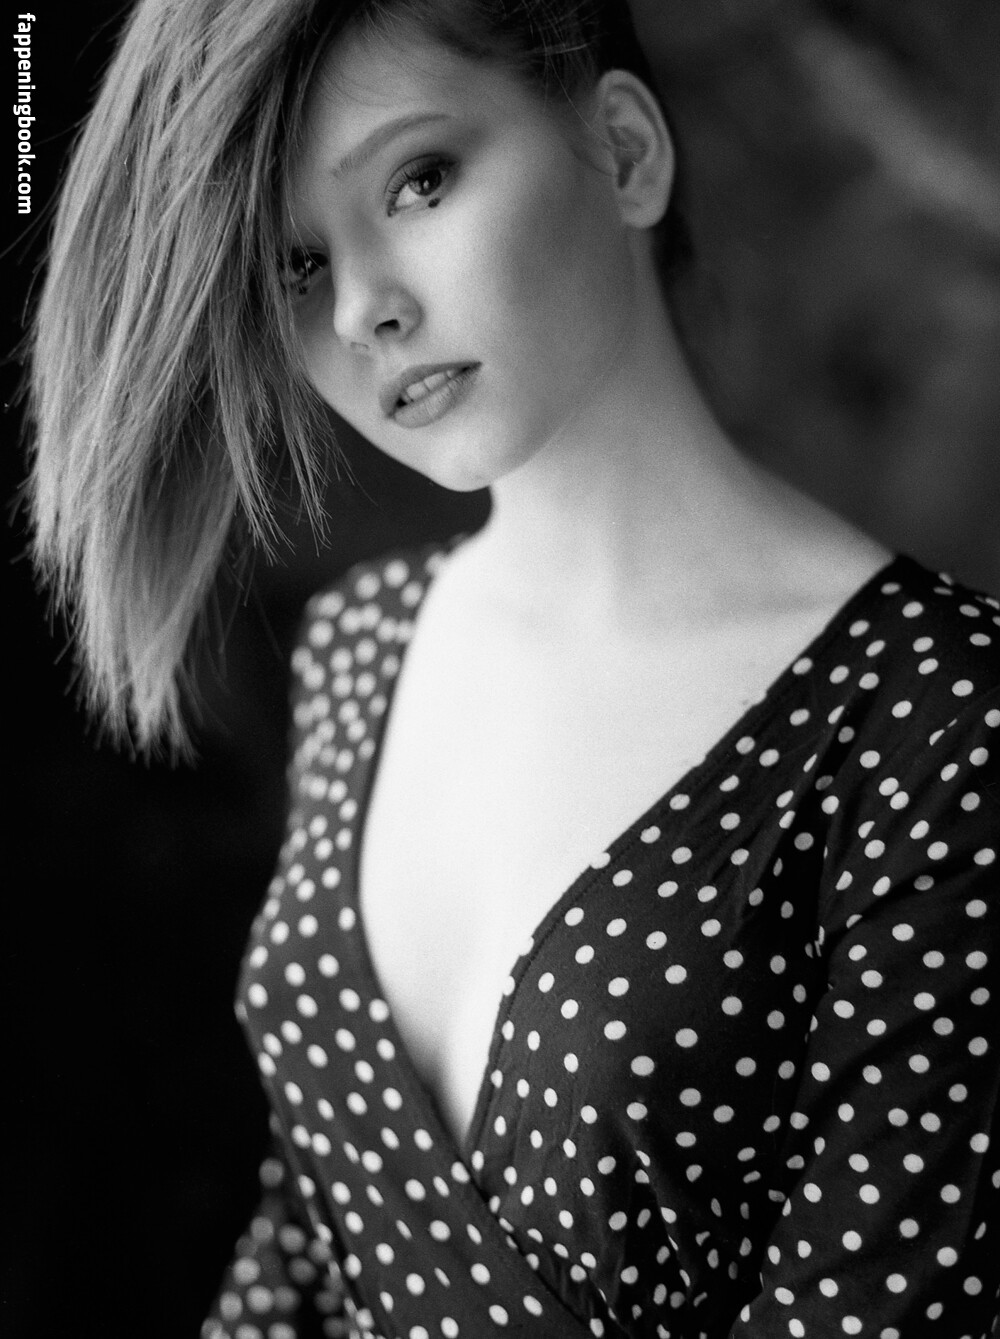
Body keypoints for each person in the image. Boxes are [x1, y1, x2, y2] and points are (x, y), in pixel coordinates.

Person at [25, 1, 999, 1336]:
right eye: (297, 265)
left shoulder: (939, 719)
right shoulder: (359, 648)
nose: (365, 308)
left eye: (419, 181)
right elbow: (310, 1239)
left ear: (626, 151)